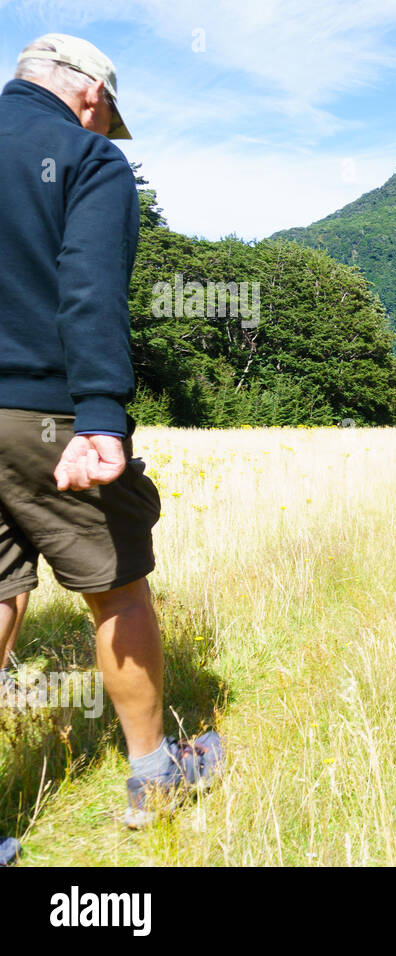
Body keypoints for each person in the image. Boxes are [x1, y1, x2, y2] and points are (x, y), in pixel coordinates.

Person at [0, 34, 223, 830]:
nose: (103, 131)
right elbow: (89, 291)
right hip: (45, 416)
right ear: (90, 94)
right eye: (105, 116)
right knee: (117, 583)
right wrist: (98, 417)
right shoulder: (88, 160)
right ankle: (156, 778)